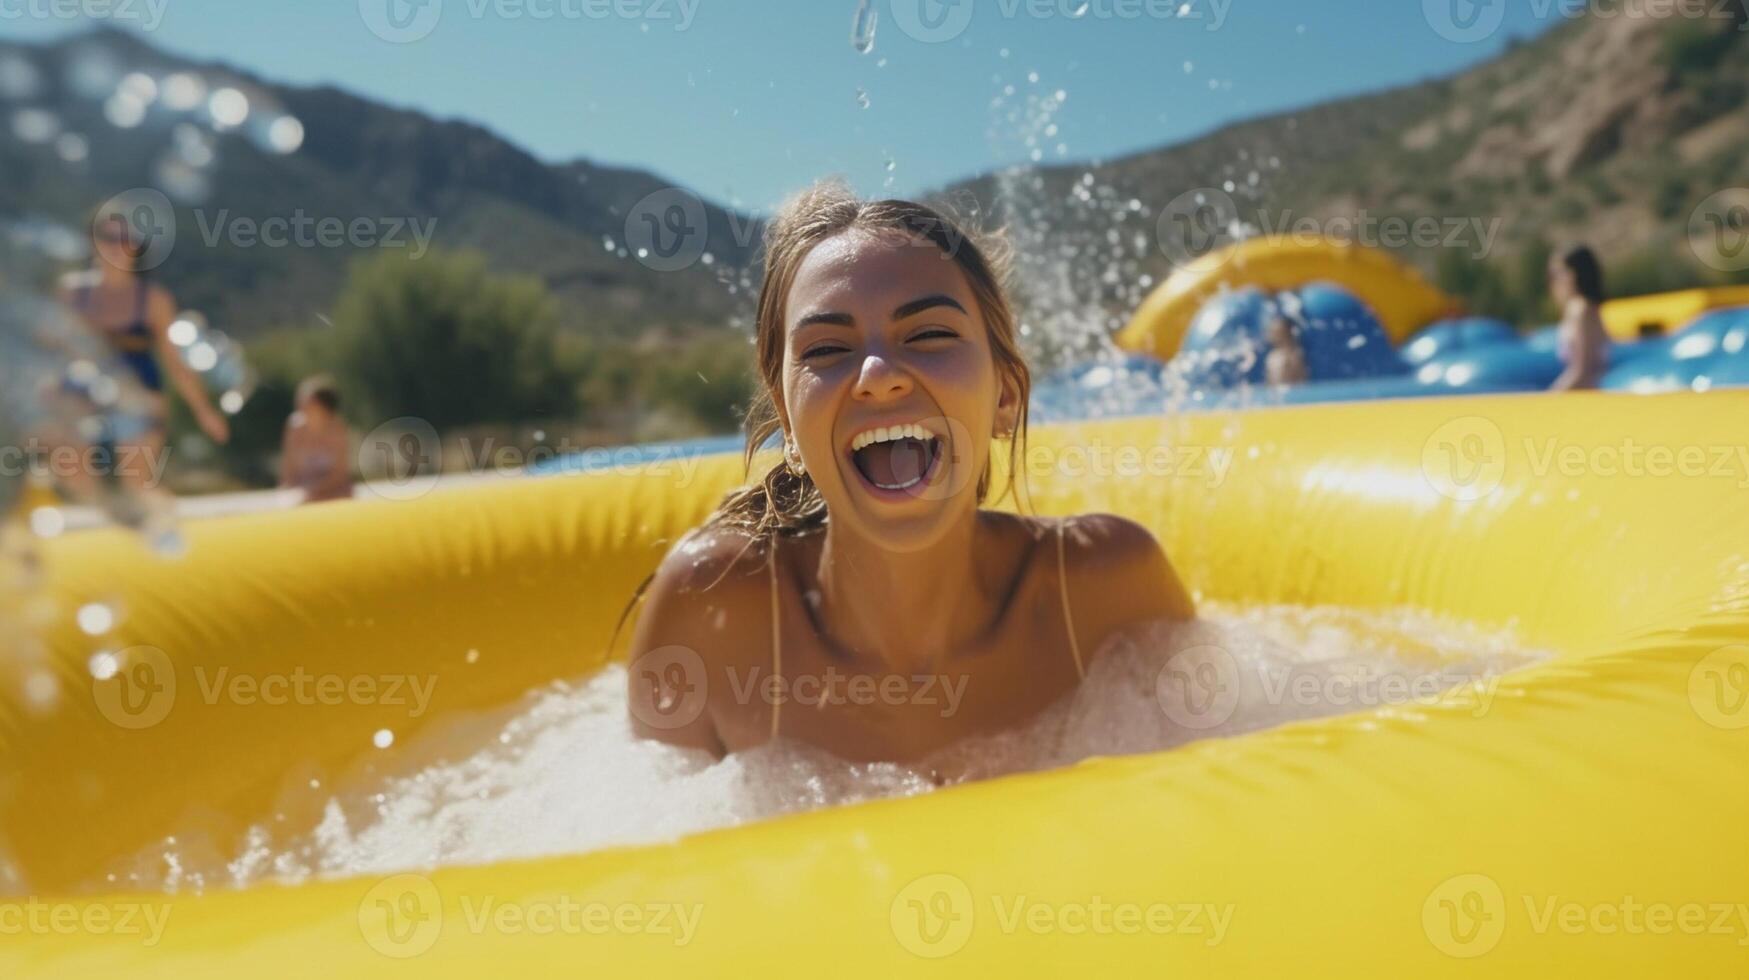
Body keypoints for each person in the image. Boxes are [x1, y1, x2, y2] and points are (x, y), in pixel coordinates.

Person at [625, 181, 1193, 772]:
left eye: (928, 335)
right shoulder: (714, 614)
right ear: (787, 420)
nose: (877, 374)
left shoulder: (1106, 591)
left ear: (1006, 395)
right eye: (825, 349)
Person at [58, 209, 231, 493]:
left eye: (126, 238)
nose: (118, 245)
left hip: (140, 395)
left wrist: (204, 412)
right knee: (77, 477)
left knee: (138, 482)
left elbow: (174, 363)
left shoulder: (154, 300)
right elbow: (55, 350)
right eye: (109, 238)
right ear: (93, 243)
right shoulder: (72, 293)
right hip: (83, 393)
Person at [278, 375, 354, 504]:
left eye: (308, 401)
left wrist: (313, 491)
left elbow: (340, 475)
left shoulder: (338, 431)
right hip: (301, 493)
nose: (301, 404)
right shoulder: (295, 428)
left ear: (323, 407)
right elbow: (288, 472)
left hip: (333, 493)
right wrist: (292, 493)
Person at [1548, 244, 1609, 391]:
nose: (1553, 281)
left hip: (1587, 392)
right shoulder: (1583, 308)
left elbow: (1583, 370)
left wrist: (1551, 396)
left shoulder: (1580, 310)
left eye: (1558, 273)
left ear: (1574, 274)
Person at [1264, 316, 1308, 386]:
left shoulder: (1294, 355)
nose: (1270, 335)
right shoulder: (1273, 356)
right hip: (1276, 393)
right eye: (1270, 331)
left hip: (1290, 393)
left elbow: (1301, 380)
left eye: (1273, 332)